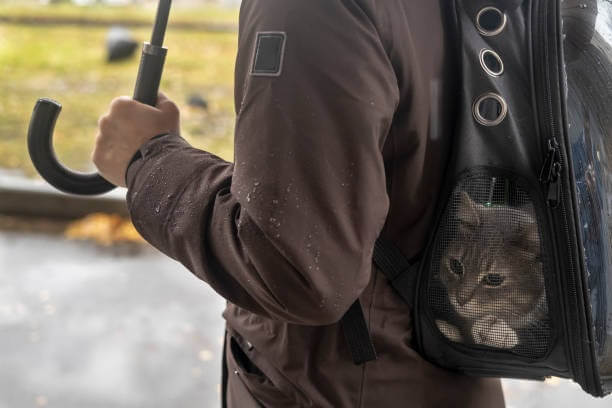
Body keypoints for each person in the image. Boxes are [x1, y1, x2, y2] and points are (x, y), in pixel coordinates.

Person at [92, 0, 506, 406]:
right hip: (440, 370)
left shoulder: (305, 9)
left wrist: (149, 160)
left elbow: (295, 267)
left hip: (337, 383)